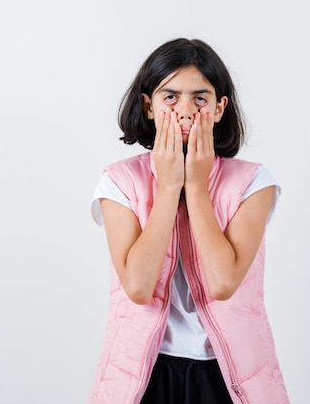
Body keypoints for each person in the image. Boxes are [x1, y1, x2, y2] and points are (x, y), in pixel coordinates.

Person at [87, 38, 290, 404]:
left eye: (200, 97)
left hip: (227, 376)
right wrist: (169, 187)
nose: (185, 110)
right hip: (144, 374)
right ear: (148, 106)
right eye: (170, 97)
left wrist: (195, 186)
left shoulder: (253, 183)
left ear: (219, 108)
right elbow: (138, 287)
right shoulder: (118, 182)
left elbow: (223, 282)